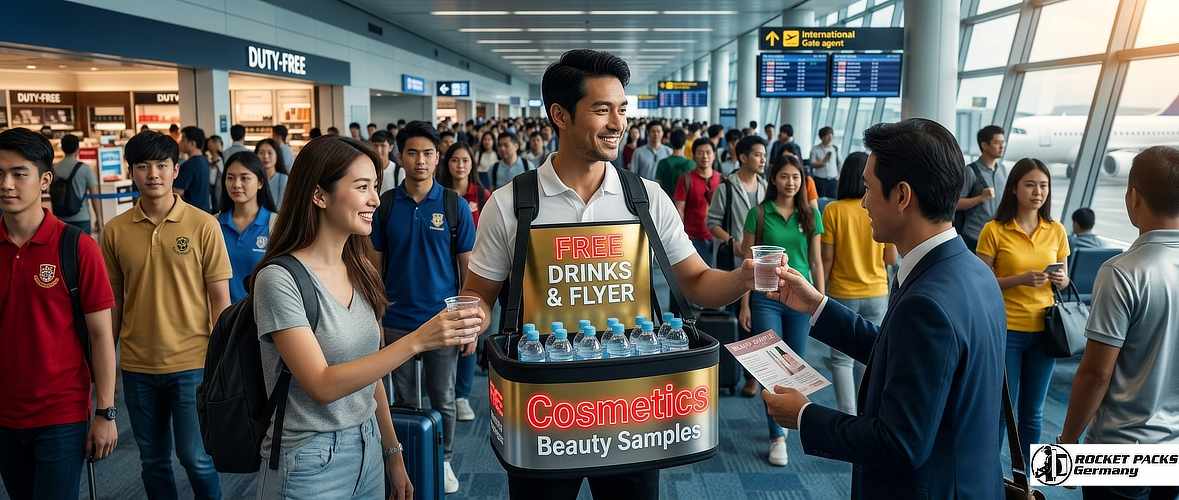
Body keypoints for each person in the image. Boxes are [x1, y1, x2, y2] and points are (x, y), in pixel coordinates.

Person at [459, 49, 756, 500]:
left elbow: (697, 282)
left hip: (631, 404)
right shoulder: (511, 204)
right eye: (602, 110)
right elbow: (478, 294)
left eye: (622, 109)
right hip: (545, 409)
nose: (618, 123)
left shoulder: (646, 199)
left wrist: (743, 279)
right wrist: (470, 319)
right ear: (560, 115)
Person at [763, 119, 1006, 499]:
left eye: (868, 188)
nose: (863, 202)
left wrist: (805, 415)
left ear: (902, 195)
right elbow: (906, 356)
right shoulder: (973, 272)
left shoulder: (927, 302)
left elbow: (900, 442)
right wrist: (816, 304)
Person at [251, 135, 482, 500]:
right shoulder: (279, 280)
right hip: (308, 459)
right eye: (362, 188)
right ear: (319, 195)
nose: (375, 199)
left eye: (374, 186)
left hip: (368, 447)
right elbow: (322, 384)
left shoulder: (358, 270)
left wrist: (393, 453)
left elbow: (370, 375)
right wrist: (418, 340)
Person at [101, 130, 231, 499]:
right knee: (153, 461)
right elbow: (114, 302)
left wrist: (220, 362)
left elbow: (219, 299)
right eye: (143, 166)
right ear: (131, 172)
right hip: (137, 365)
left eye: (161, 165)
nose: (153, 174)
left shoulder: (203, 225)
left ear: (176, 170)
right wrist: (107, 363)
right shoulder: (115, 231)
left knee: (196, 458)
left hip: (193, 362)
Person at [0, 128, 118, 500]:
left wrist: (106, 411)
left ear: (44, 180)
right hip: (4, 414)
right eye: (0, 174)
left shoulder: (77, 248)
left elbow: (101, 335)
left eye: (19, 173)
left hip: (61, 413)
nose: (6, 184)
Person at [1057, 146, 1179, 500]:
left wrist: (1069, 443)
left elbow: (1096, 374)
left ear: (1133, 197)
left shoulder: (1122, 272)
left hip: (1122, 449)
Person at [370, 121, 477, 495]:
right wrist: (375, 318)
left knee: (443, 397)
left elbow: (468, 271)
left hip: (442, 320)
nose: (420, 160)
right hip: (396, 320)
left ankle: (444, 458)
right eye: (412, 153)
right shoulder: (385, 205)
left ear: (438, 158)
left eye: (428, 153)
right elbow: (373, 268)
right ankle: (408, 457)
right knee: (402, 400)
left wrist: (469, 324)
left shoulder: (453, 205)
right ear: (399, 156)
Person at [976, 157, 1070, 469]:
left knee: (1034, 412)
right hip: (1007, 330)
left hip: (1045, 330)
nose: (1038, 192)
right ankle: (990, 474)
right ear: (1014, 188)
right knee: (1002, 410)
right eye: (1030, 185)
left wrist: (1060, 278)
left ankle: (1026, 476)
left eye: (1043, 186)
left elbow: (1065, 278)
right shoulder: (994, 230)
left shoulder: (1056, 230)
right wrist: (1020, 279)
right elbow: (981, 282)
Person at [739, 153, 824, 466]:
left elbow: (816, 262)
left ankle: (785, 417)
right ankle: (777, 436)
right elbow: (747, 264)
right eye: (785, 176)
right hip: (766, 297)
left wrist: (821, 303)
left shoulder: (810, 215)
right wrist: (744, 303)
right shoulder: (759, 214)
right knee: (771, 366)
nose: (791, 182)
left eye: (796, 177)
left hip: (800, 298)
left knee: (794, 366)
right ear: (774, 178)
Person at [819, 152, 897, 416]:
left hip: (843, 292)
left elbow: (826, 259)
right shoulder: (880, 210)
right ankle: (867, 414)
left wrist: (821, 292)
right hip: (877, 292)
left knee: (841, 359)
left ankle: (847, 415)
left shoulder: (833, 210)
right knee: (871, 356)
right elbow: (890, 258)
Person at [436, 141, 492, 424]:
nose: (460, 165)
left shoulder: (482, 195)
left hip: (478, 269)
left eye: (465, 160)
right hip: (444, 268)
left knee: (469, 330)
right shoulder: (438, 195)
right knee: (446, 333)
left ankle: (462, 395)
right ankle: (442, 391)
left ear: (472, 164)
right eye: (455, 160)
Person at [215, 151, 277, 303]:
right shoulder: (212, 224)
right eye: (230, 178)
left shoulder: (275, 224)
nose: (236, 184)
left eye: (244, 178)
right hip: (222, 315)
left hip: (262, 314)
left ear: (260, 182)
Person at [955, 125, 1007, 252]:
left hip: (998, 236)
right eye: (997, 142)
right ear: (984, 145)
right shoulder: (970, 171)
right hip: (974, 237)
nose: (1001, 146)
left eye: (1003, 142)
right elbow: (956, 203)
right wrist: (980, 198)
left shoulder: (1002, 170)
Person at [674, 137, 720, 265]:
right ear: (693, 156)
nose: (705, 156)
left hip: (717, 239)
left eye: (708, 152)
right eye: (700, 152)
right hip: (693, 239)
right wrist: (681, 237)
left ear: (714, 155)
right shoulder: (686, 179)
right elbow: (679, 209)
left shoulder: (721, 180)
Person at [52, 133, 103, 234]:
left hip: (60, 218)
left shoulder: (54, 169)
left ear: (62, 148)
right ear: (77, 149)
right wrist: (99, 218)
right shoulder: (85, 169)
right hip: (81, 218)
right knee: (83, 244)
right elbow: (94, 196)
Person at [173, 126, 213, 212]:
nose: (180, 142)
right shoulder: (204, 160)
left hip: (192, 212)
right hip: (205, 210)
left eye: (183, 140)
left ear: (192, 143)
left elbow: (177, 192)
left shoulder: (189, 165)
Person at [655, 128, 693, 196]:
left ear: (670, 142)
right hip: (684, 200)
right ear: (685, 142)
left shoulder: (662, 163)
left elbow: (658, 185)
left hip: (666, 199)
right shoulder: (691, 164)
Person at [255, 138, 289, 208]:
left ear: (277, 155)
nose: (265, 156)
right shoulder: (253, 179)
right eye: (261, 153)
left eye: (270, 153)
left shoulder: (284, 179)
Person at [809, 126, 840, 199]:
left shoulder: (835, 148)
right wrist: (824, 161)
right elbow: (812, 164)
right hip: (820, 180)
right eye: (827, 135)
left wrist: (838, 177)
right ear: (822, 137)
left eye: (831, 135)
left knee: (833, 200)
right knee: (819, 200)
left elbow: (839, 163)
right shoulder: (815, 149)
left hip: (833, 180)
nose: (830, 137)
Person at [205, 134, 224, 203]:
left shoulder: (221, 159)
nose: (208, 145)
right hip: (210, 189)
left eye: (211, 143)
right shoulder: (208, 158)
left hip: (218, 191)